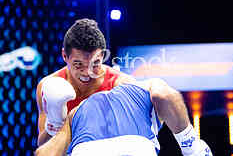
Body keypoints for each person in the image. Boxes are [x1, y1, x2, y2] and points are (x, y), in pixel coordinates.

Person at [35, 77, 213, 156]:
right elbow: (163, 95)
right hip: (135, 145)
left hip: (87, 150)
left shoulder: (76, 112)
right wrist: (192, 147)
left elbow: (44, 153)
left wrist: (54, 122)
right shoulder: (143, 87)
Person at [36, 18, 135, 146]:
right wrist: (53, 125)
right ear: (64, 56)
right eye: (78, 65)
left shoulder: (120, 85)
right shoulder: (47, 86)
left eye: (95, 64)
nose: (87, 72)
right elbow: (43, 147)